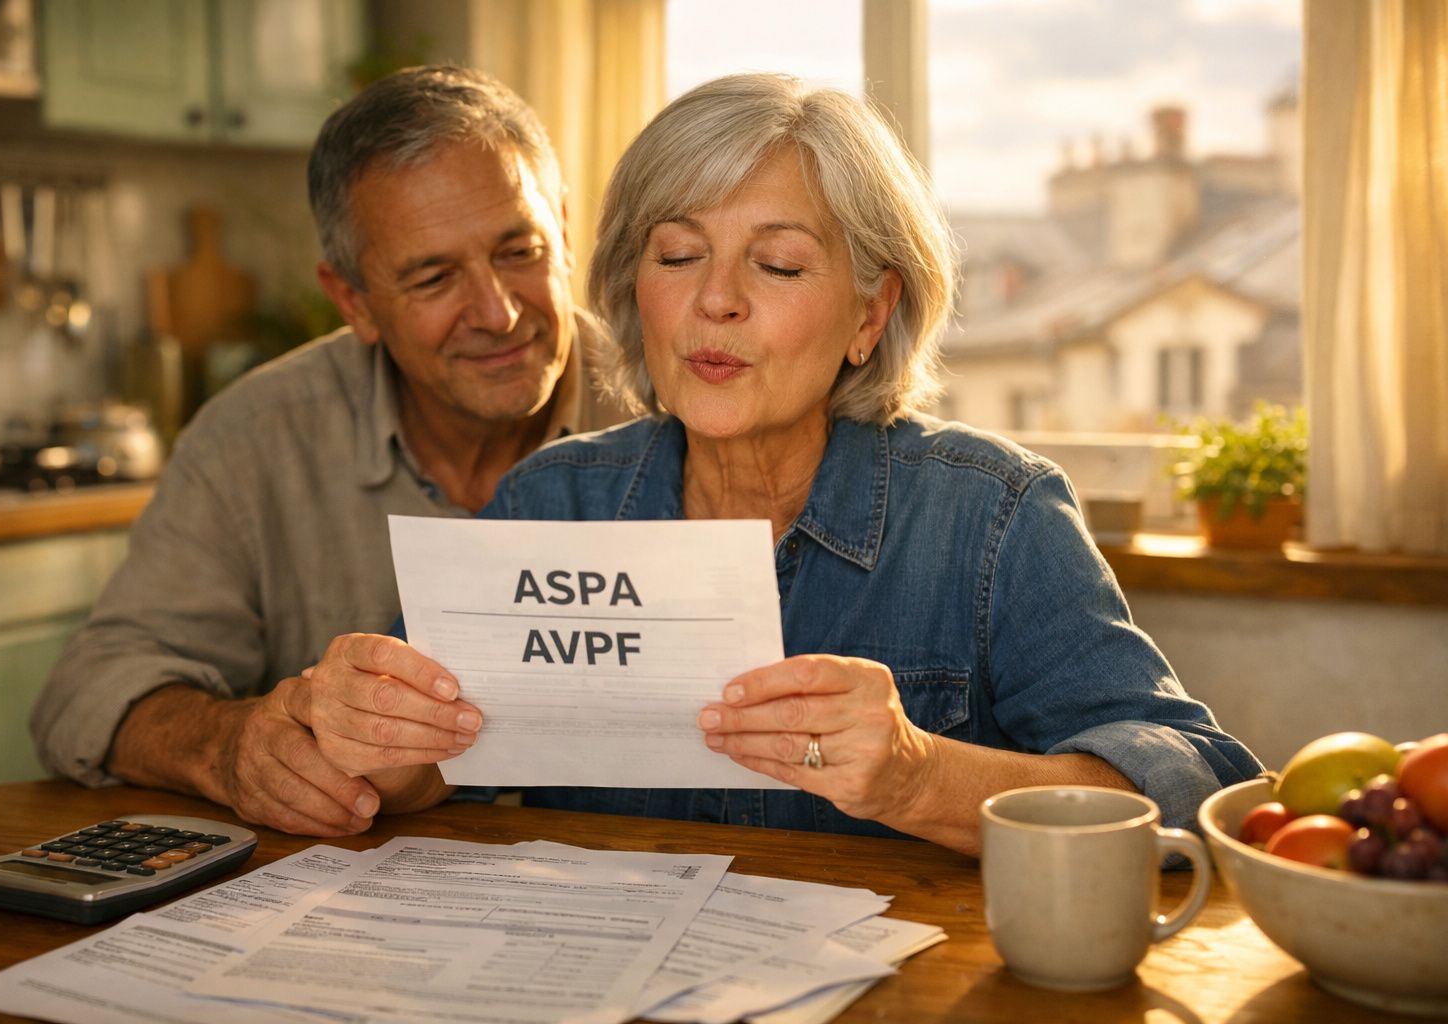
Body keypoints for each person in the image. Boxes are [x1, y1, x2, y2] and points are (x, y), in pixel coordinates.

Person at [298, 73, 1264, 855]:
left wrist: (918, 773)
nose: (716, 301)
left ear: (869, 313)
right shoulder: (552, 500)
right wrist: (365, 733)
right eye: (677, 256)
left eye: (780, 265)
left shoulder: (991, 513)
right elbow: (415, 772)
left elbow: (1201, 782)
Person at [30, 65, 624, 837]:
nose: (499, 311)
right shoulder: (255, 435)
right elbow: (88, 690)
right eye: (434, 276)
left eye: (520, 250)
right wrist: (230, 746)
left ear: (567, 233)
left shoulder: (681, 407)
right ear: (353, 301)